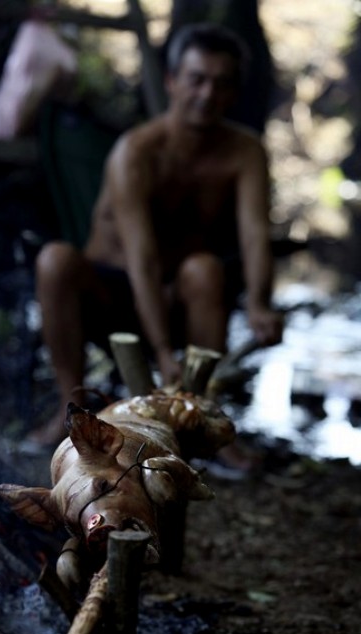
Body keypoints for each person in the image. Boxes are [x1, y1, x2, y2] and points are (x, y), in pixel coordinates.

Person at [27, 22, 283, 457]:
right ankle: (68, 410)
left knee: (204, 268)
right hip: (110, 301)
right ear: (171, 82)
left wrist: (260, 301)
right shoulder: (136, 151)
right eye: (196, 80)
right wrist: (162, 351)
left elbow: (256, 233)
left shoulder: (245, 152)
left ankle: (205, 419)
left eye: (221, 84)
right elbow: (140, 257)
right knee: (54, 260)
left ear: (234, 93)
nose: (207, 94)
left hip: (178, 299)